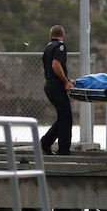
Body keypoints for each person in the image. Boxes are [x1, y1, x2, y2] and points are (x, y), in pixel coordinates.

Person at [40, 25, 74, 156]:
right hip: (56, 86)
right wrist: (65, 82)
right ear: (63, 36)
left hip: (50, 84)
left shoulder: (48, 48)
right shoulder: (60, 46)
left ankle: (46, 142)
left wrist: (67, 79)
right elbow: (55, 65)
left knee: (63, 117)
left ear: (50, 35)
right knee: (66, 119)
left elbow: (50, 68)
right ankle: (63, 150)